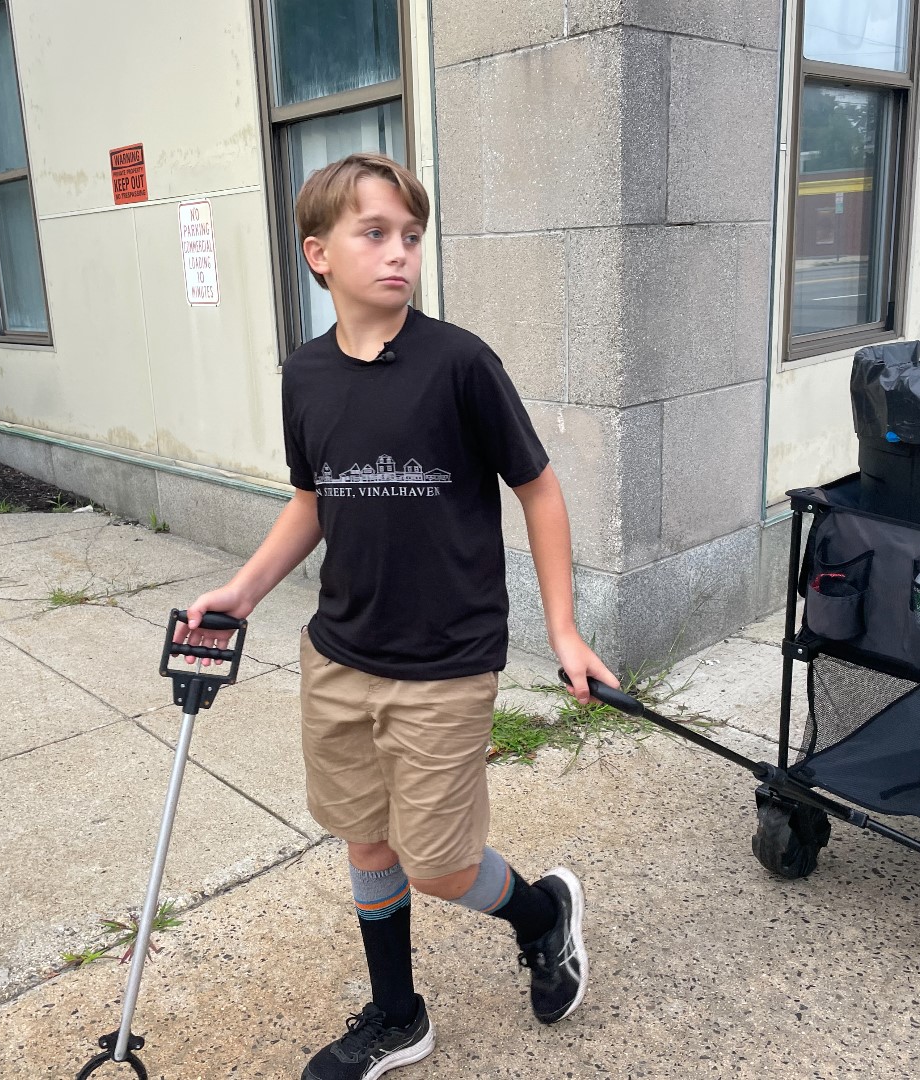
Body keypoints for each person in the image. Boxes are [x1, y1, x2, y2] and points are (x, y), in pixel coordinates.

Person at [175, 151, 619, 1080]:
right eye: (374, 234)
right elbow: (313, 500)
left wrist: (565, 629)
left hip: (446, 662)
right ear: (318, 254)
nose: (399, 254)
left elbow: (538, 489)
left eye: (410, 236)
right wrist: (244, 590)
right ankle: (396, 1014)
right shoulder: (305, 376)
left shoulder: (459, 363)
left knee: (441, 864)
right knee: (366, 839)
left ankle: (541, 915)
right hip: (340, 655)